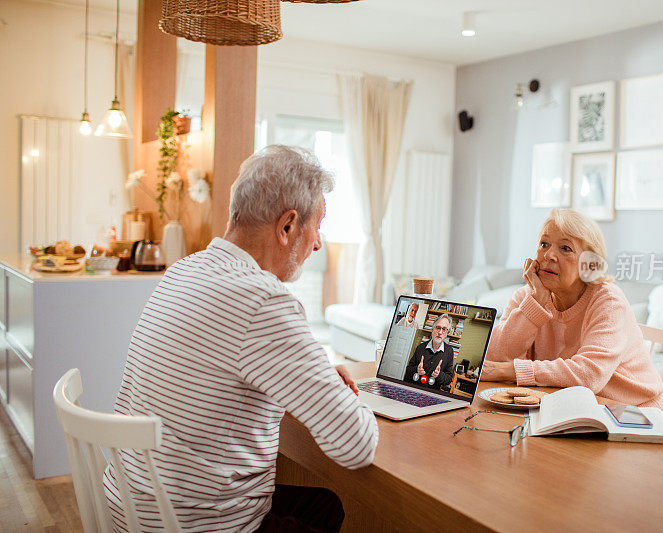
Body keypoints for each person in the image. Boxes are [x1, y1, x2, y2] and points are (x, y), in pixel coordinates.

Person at [103, 146, 379, 533]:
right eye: (317, 226)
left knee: (324, 504)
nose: (318, 244)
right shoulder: (263, 299)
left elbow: (216, 373)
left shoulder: (184, 270)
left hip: (132, 508)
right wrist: (357, 399)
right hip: (196, 525)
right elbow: (356, 444)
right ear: (287, 226)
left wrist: (307, 376)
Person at [481, 208, 663, 412]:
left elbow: (589, 375)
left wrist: (513, 371)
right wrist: (535, 303)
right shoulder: (527, 296)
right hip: (568, 408)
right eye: (544, 244)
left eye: (565, 248)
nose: (549, 255)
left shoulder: (608, 300)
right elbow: (493, 359)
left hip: (635, 414)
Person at [403, 314, 455, 390]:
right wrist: (416, 370)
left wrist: (438, 375)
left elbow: (449, 379)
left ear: (447, 333)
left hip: (432, 393)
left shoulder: (449, 351)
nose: (440, 332)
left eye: (444, 329)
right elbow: (408, 371)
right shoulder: (420, 347)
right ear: (432, 329)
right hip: (414, 389)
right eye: (438, 328)